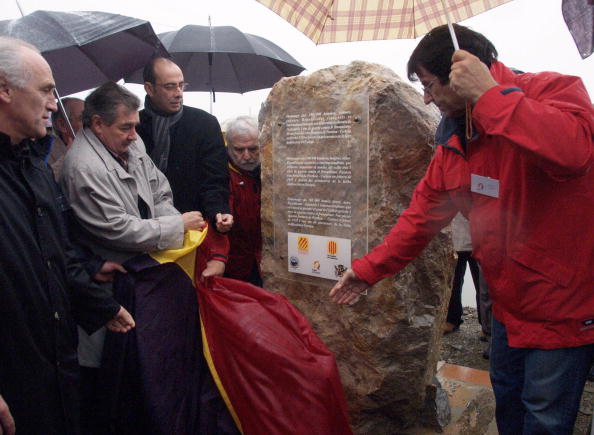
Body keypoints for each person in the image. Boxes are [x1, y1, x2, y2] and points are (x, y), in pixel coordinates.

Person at [329, 24, 594, 435]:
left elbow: (573, 152)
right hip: (508, 303)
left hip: (561, 303)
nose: (426, 97)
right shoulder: (455, 138)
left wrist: (489, 96)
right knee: (507, 397)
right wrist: (366, 271)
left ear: (460, 71)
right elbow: (419, 219)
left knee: (544, 415)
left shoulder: (552, 91)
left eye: (430, 84)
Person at [0, 37, 134, 435]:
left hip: (55, 367)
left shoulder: (35, 167)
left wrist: (99, 306)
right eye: (45, 90)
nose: (53, 103)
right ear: (4, 89)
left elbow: (54, 255)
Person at [137, 57, 233, 237]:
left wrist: (218, 211)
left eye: (182, 85)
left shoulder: (204, 124)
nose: (178, 93)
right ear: (149, 88)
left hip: (195, 230)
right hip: (145, 230)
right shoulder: (133, 128)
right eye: (169, 86)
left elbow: (215, 179)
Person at [224, 116, 262, 286]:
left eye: (253, 149)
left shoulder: (271, 169)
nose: (247, 156)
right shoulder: (220, 174)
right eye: (239, 150)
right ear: (228, 146)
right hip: (234, 265)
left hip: (266, 260)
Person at [48, 97, 83, 178]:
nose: (91, 123)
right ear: (62, 125)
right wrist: (66, 158)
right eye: (82, 118)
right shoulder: (46, 153)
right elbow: (45, 182)